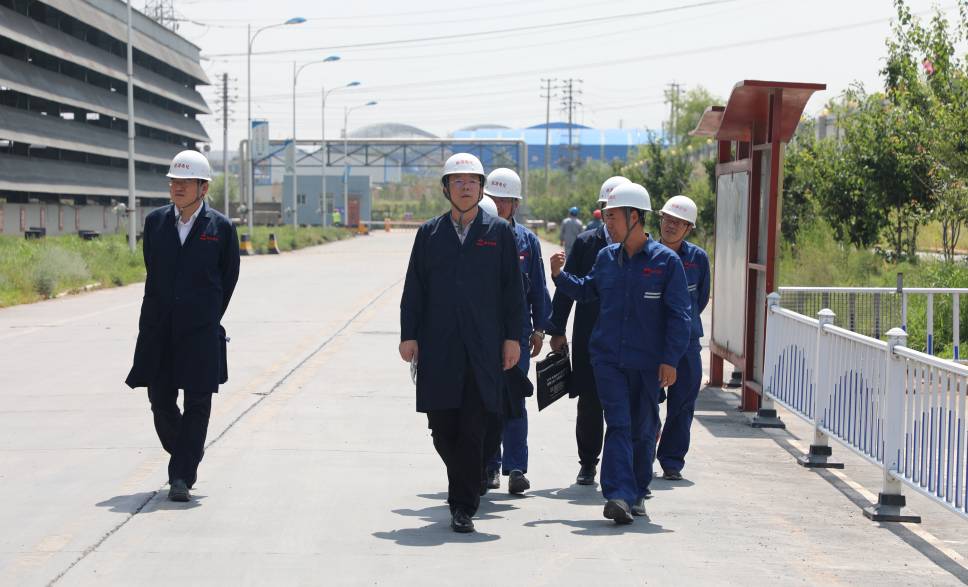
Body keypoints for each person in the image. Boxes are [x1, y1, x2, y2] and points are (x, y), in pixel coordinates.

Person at [399, 153, 525, 533]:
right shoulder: (429, 234)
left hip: (482, 348)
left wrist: (512, 339)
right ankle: (468, 477)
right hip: (438, 346)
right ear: (446, 188)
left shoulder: (499, 232)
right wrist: (408, 334)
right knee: (441, 428)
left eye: (472, 181)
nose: (465, 186)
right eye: (458, 180)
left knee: (473, 426)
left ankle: (462, 505)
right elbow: (414, 287)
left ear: (482, 188)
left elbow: (513, 292)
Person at [550, 182, 690, 523]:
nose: (607, 223)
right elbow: (586, 291)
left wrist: (670, 359)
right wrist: (559, 276)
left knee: (642, 429)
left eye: (613, 217)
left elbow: (679, 316)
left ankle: (637, 491)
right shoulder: (605, 258)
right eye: (606, 216)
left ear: (635, 217)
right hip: (607, 359)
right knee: (618, 423)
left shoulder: (666, 262)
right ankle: (617, 495)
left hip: (648, 363)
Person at [125, 150, 241, 502]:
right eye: (174, 181)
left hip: (200, 330)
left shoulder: (221, 228)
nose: (178, 187)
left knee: (197, 403)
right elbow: (154, 267)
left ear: (203, 188)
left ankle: (180, 477)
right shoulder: (154, 222)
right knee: (160, 400)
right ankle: (187, 452)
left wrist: (205, 313)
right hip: (159, 326)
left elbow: (228, 278)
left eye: (186, 182)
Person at [549, 176, 630, 485]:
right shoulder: (586, 243)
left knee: (628, 405)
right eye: (607, 210)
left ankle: (628, 465)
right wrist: (557, 329)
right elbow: (570, 287)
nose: (610, 216)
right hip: (591, 337)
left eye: (617, 210)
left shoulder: (642, 247)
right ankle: (588, 462)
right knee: (590, 403)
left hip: (629, 339)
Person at [480, 168, 553, 496]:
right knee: (485, 401)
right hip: (482, 334)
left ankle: (516, 468)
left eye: (504, 200)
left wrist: (540, 329)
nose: (498, 205)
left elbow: (538, 287)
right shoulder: (475, 234)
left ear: (515, 204)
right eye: (492, 199)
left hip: (518, 335)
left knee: (514, 401)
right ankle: (489, 466)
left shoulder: (527, 241)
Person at [655, 196, 710, 481]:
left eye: (679, 222)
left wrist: (681, 327)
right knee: (644, 403)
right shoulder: (646, 253)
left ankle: (671, 460)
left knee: (682, 404)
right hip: (650, 342)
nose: (671, 226)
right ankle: (642, 452)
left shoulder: (698, 258)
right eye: (667, 219)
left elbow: (699, 300)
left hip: (687, 345)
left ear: (689, 228)